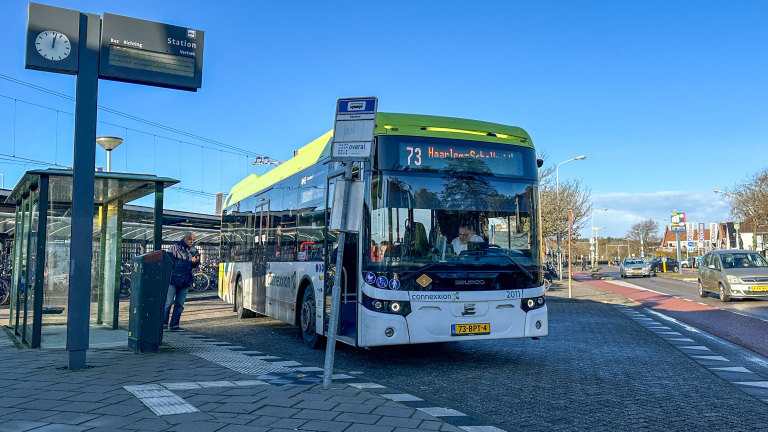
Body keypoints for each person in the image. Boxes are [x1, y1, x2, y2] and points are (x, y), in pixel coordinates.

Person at [164, 232, 199, 331]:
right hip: (173, 279)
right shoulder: (175, 248)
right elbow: (168, 263)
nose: (191, 241)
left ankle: (174, 325)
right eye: (189, 239)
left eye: (193, 239)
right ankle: (164, 325)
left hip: (185, 280)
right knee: (168, 303)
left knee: (180, 304)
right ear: (184, 238)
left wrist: (195, 262)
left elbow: (195, 266)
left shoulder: (194, 250)